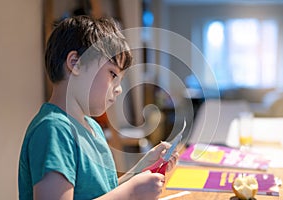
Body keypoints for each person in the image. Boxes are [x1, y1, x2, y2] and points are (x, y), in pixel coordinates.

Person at [18, 15, 178, 200]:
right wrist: (131, 193)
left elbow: (103, 193)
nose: (118, 89)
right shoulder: (54, 130)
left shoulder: (93, 127)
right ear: (75, 63)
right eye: (112, 74)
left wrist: (142, 169)